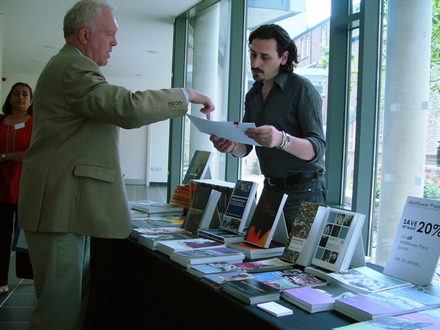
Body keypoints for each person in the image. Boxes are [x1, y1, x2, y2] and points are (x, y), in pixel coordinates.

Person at [17, 1, 214, 329]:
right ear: (84, 35)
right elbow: (127, 108)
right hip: (58, 207)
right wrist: (185, 94)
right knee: (58, 313)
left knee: (68, 305)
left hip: (63, 206)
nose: (115, 42)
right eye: (109, 33)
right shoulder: (73, 67)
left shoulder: (69, 65)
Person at [210, 24, 326, 233]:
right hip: (271, 186)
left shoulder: (302, 89)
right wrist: (229, 145)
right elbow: (245, 147)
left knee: (296, 260)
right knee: (263, 253)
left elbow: (317, 149)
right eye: (252, 54)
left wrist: (282, 140)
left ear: (283, 58)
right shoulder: (253, 94)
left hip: (304, 190)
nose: (255, 63)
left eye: (265, 57)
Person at [0, 82, 33, 296]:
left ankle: (32, 277)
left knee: (28, 236)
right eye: (16, 93)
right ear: (10, 98)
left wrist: (5, 156)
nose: (20, 97)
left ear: (31, 101)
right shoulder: (0, 121)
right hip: (1, 186)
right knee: (1, 235)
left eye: (25, 94)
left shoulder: (36, 124)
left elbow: (34, 153)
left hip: (27, 186)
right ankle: (1, 281)